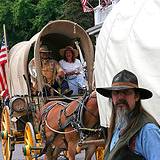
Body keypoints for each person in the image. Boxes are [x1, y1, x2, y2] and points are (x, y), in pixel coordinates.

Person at [96, 69, 160, 160]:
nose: (120, 97)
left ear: (136, 96)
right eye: (116, 93)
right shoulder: (119, 123)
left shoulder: (148, 130)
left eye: (126, 92)